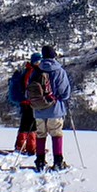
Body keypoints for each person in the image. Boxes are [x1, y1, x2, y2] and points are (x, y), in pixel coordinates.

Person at [27, 43, 73, 172]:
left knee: (40, 134)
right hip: (55, 109)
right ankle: (58, 161)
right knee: (56, 134)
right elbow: (65, 92)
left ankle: (40, 161)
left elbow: (29, 91)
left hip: (39, 109)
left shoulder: (36, 71)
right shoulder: (59, 71)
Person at [6, 52, 44, 155]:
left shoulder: (28, 71)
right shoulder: (31, 72)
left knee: (25, 124)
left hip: (26, 102)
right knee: (31, 125)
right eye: (37, 61)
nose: (39, 63)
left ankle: (20, 145)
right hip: (30, 102)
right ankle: (31, 147)